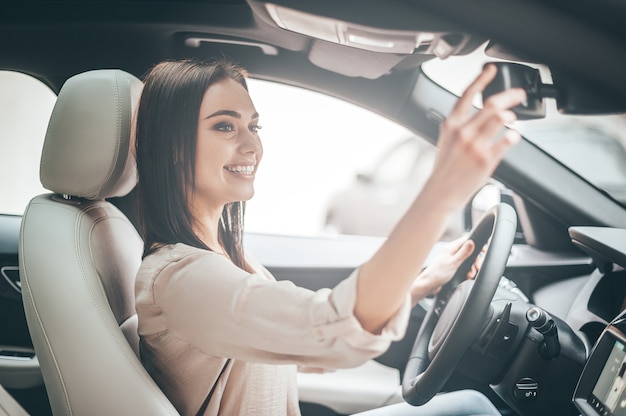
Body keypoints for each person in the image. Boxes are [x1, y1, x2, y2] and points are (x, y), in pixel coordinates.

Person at [134, 59, 526, 416]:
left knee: (471, 406)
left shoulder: (221, 253)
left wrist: (422, 283)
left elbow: (296, 342)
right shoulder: (182, 279)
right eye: (225, 126)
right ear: (172, 146)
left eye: (254, 126)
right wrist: (441, 194)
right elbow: (330, 329)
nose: (252, 145)